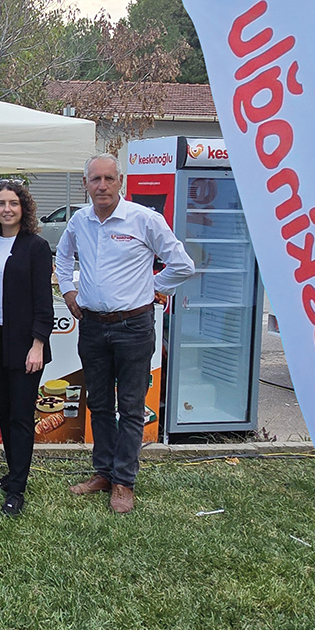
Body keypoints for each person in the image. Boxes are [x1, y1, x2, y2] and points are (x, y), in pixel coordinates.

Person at [55, 153, 195, 513]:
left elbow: (182, 264)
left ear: (122, 182)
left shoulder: (144, 219)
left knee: (131, 408)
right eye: (95, 179)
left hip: (134, 327)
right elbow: (63, 256)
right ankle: (103, 473)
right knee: (99, 405)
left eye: (109, 179)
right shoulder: (79, 221)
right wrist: (68, 292)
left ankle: (124, 482)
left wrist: (153, 287)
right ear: (85, 184)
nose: (102, 186)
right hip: (92, 327)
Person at [0, 179, 53, 518]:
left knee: (22, 416)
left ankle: (17, 490)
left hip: (26, 343)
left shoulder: (36, 247)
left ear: (23, 208)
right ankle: (13, 474)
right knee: (6, 412)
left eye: (13, 203)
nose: (7, 209)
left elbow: (44, 302)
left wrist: (38, 344)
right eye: (1, 203)